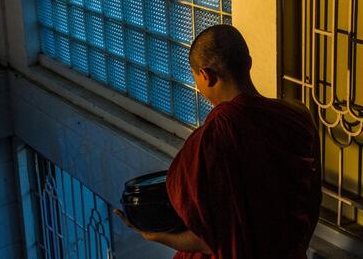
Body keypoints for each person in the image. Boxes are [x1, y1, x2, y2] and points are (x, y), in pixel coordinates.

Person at [115, 25, 322, 258]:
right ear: (249, 63)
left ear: (206, 75)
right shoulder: (299, 115)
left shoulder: (214, 138)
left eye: (197, 80)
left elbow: (207, 240)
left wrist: (152, 235)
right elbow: (313, 198)